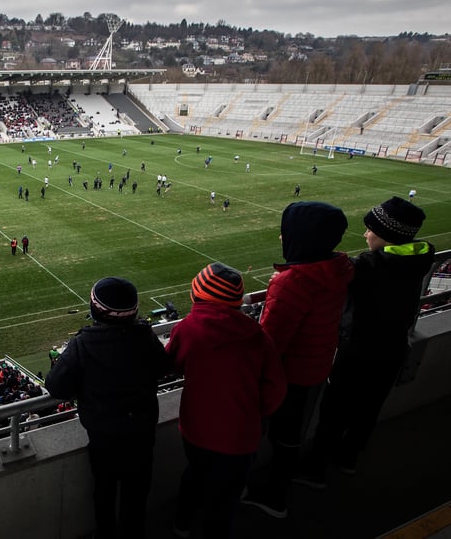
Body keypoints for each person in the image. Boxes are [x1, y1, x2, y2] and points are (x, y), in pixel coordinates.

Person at [296, 197, 435, 487]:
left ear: (386, 234)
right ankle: (348, 458)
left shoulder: (369, 267)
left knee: (334, 412)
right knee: (368, 410)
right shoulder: (418, 258)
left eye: (370, 229)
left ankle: (316, 470)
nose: (365, 234)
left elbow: (328, 276)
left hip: (357, 351)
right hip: (393, 349)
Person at [242, 201, 354, 519]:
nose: (281, 238)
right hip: (318, 364)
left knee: (268, 432)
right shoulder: (340, 268)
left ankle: (273, 496)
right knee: (292, 433)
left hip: (287, 374)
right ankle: (294, 479)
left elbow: (272, 340)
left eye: (285, 232)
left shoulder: (294, 281)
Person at [167, 263, 286, 538]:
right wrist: (255, 414)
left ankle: (181, 524)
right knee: (225, 497)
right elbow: (276, 388)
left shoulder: (187, 329)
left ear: (197, 296)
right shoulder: (258, 335)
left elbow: (172, 363)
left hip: (196, 429)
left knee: (195, 475)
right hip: (241, 436)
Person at [46, 277, 170, 539]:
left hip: (104, 435)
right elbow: (163, 368)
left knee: (104, 489)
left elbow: (56, 386)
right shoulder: (144, 336)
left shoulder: (83, 344)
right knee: (137, 492)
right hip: (142, 431)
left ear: (94, 311)